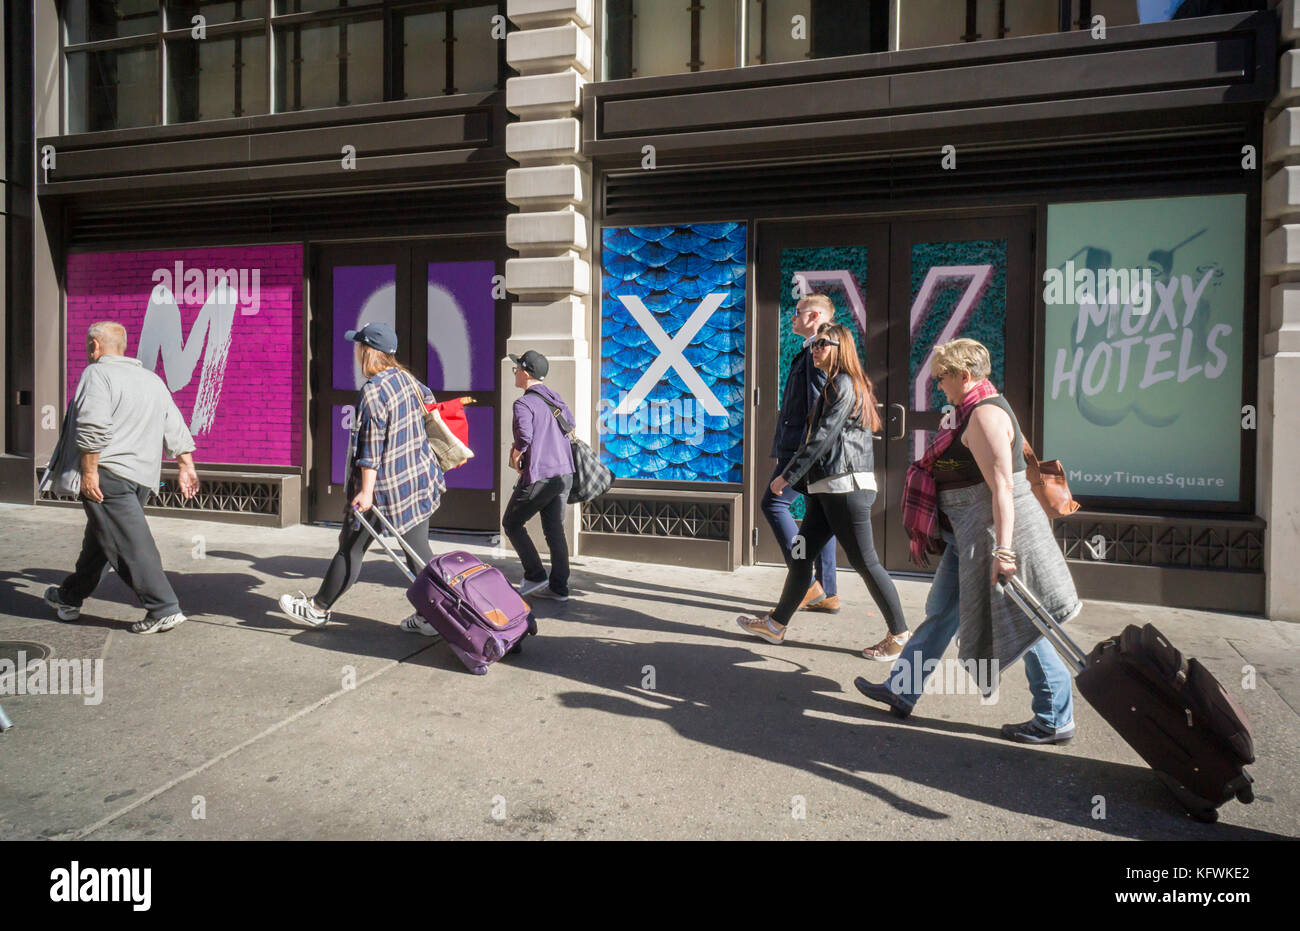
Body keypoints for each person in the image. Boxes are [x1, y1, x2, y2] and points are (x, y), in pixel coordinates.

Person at [854, 338, 1081, 744]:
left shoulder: (985, 416)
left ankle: (1054, 716)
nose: (939, 385)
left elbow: (1003, 490)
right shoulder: (971, 411)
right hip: (969, 535)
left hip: (993, 535)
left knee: (1023, 620)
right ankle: (902, 688)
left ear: (964, 375)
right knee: (942, 611)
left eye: (942, 377)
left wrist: (1004, 552)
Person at [736, 323, 910, 659]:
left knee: (866, 562)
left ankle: (900, 633)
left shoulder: (844, 383)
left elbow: (822, 437)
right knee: (801, 554)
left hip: (844, 488)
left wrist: (787, 475)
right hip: (824, 490)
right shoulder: (836, 383)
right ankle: (776, 624)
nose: (814, 350)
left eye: (822, 345)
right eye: (813, 345)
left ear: (840, 347)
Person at [279, 322, 441, 632]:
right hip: (417, 480)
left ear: (368, 351)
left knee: (351, 547)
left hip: (382, 491)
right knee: (417, 552)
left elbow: (371, 447)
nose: (355, 351)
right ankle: (432, 615)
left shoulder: (374, 390)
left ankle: (318, 608)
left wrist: (366, 493)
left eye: (358, 346)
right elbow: (430, 407)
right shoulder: (409, 380)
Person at [43, 321, 200, 634]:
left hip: (107, 475)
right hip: (140, 479)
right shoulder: (151, 379)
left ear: (95, 346)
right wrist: (187, 465)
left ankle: (163, 608)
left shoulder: (96, 374)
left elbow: (93, 428)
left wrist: (88, 473)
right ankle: (70, 597)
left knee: (130, 544)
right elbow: (175, 425)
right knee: (101, 541)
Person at [761, 293, 841, 613]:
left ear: (815, 316)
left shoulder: (818, 352)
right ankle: (829, 590)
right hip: (810, 451)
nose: (792, 317)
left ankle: (806, 583)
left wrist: (798, 458)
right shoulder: (818, 350)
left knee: (773, 503)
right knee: (819, 516)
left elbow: (816, 409)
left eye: (798, 312)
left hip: (801, 452)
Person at [503, 350, 576, 602]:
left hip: (540, 476)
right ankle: (559, 588)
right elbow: (571, 423)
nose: (515, 373)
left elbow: (525, 435)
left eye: (516, 369)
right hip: (564, 473)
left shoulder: (523, 403)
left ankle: (535, 575)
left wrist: (516, 453)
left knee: (511, 523)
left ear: (525, 372)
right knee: (555, 530)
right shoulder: (555, 398)